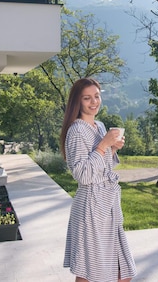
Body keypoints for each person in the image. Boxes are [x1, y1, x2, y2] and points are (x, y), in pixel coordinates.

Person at [60, 78, 137, 282]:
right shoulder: (76, 130)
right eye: (87, 98)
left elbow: (103, 166)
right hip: (90, 207)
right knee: (89, 272)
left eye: (96, 96)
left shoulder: (99, 126)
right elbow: (83, 175)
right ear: (78, 101)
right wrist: (103, 145)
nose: (94, 102)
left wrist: (112, 148)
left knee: (122, 272)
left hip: (107, 204)